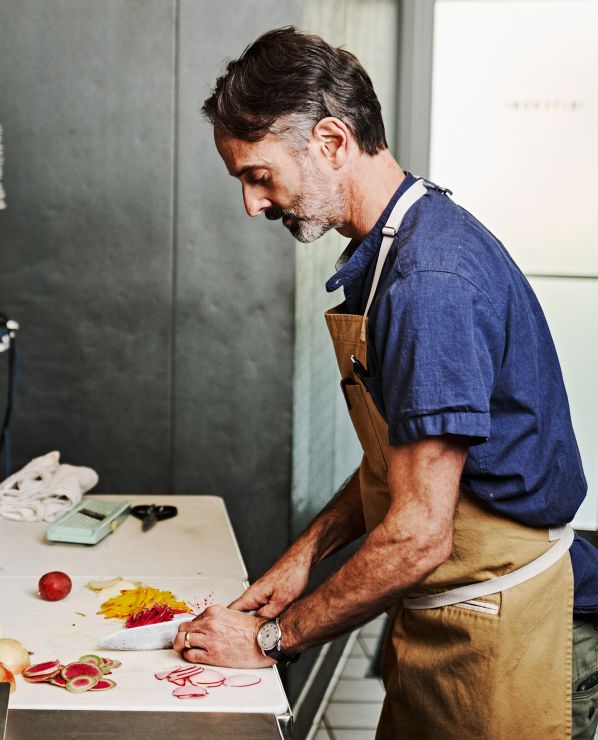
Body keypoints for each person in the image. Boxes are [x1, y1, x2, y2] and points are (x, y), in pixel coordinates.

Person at [174, 27, 598, 739]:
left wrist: (269, 642)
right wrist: (305, 556)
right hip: (445, 617)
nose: (253, 205)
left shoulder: (429, 283)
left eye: (256, 175)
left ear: (333, 142)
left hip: (509, 636)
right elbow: (398, 466)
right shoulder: (397, 250)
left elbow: (419, 534)